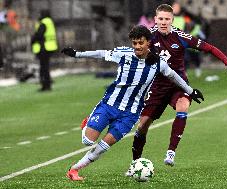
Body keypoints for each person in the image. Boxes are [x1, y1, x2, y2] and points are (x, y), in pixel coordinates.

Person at [61, 25, 204, 181]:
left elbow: (174, 76)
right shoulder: (124, 54)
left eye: (140, 43)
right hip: (109, 104)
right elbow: (101, 54)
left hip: (130, 114)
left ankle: (74, 170)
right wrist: (77, 54)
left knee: (103, 147)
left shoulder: (158, 62)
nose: (137, 47)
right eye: (134, 43)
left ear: (148, 42)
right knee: (87, 141)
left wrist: (190, 91)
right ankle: (87, 123)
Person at [125, 4, 227, 174]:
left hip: (178, 84)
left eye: (167, 19)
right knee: (142, 125)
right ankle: (135, 164)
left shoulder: (181, 36)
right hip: (157, 87)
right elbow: (134, 55)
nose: (163, 22)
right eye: (160, 19)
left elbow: (209, 48)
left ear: (172, 20)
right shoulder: (148, 36)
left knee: (183, 106)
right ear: (155, 19)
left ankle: (171, 152)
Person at [31, 9, 58, 91]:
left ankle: (45, 85)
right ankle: (47, 83)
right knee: (45, 67)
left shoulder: (44, 22)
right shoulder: (50, 21)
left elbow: (39, 35)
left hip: (44, 48)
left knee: (44, 67)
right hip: (51, 47)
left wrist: (33, 39)